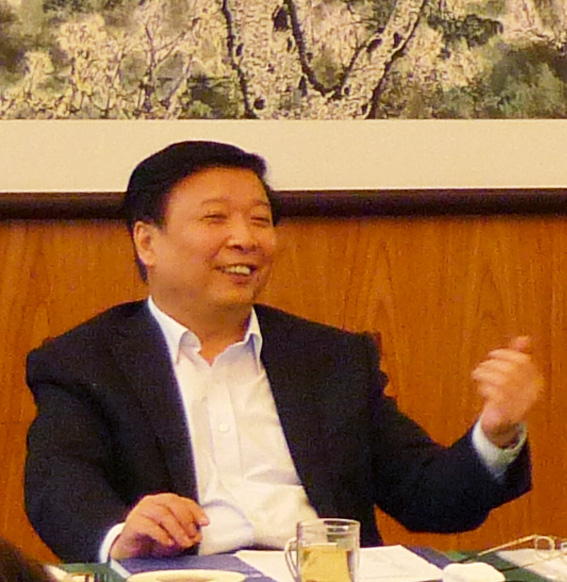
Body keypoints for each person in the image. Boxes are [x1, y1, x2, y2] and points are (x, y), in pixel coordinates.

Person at [24, 141, 541, 564]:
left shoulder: (331, 358)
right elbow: (59, 486)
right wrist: (123, 535)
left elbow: (430, 498)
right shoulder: (85, 362)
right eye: (215, 218)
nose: (245, 239)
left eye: (260, 220)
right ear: (147, 243)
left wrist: (495, 432)